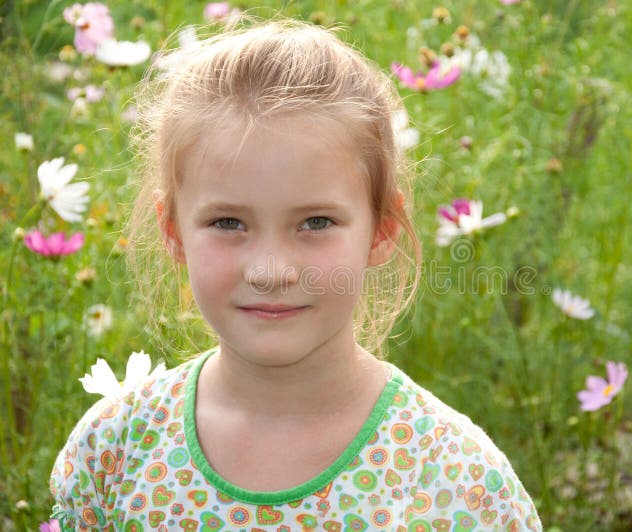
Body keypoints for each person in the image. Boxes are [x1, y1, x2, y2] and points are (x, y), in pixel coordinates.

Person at [49, 19, 542, 531]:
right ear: (173, 231)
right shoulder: (115, 451)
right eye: (228, 223)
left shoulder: (458, 484)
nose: (271, 271)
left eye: (315, 223)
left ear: (382, 229)